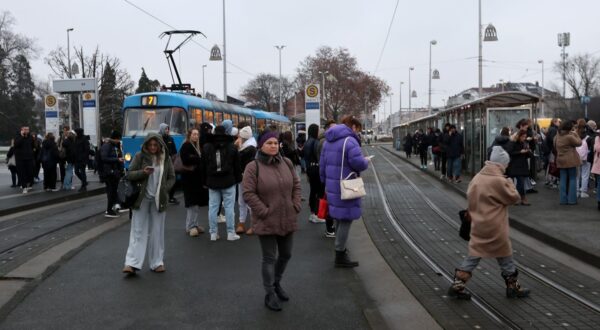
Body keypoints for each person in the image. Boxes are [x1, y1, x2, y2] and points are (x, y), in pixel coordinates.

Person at [448, 146, 529, 300]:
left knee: (474, 255)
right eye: (505, 165)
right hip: (495, 226)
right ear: (501, 164)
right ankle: (512, 286)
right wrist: (510, 183)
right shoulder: (499, 180)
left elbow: (470, 197)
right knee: (505, 254)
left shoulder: (477, 178)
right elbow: (514, 198)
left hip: (478, 224)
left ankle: (458, 283)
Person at [242, 131, 301, 312]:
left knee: (286, 254)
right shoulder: (253, 167)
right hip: (267, 218)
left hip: (287, 216)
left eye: (276, 143)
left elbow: (296, 185)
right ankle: (270, 293)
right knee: (269, 257)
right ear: (261, 146)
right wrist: (263, 211)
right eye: (269, 143)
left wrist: (295, 205)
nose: (274, 146)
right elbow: (248, 193)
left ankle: (276, 283)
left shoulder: (287, 163)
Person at [122, 133, 176, 275]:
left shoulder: (165, 158)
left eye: (155, 145)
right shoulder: (140, 156)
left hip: (159, 199)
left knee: (157, 231)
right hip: (142, 198)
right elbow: (129, 174)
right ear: (146, 145)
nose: (152, 147)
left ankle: (157, 262)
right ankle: (132, 263)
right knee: (138, 230)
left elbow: (172, 177)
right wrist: (143, 173)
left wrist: (165, 189)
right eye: (150, 145)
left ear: (159, 145)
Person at [320, 116, 370, 268]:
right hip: (347, 185)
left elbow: (322, 165)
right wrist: (366, 161)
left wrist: (326, 183)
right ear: (353, 127)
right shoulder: (350, 141)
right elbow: (358, 163)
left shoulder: (328, 141)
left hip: (332, 185)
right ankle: (340, 253)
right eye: (358, 129)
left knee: (338, 216)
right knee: (346, 218)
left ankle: (340, 250)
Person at [202, 125, 242, 241]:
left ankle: (213, 233)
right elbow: (237, 166)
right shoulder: (232, 147)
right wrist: (238, 179)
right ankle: (230, 233)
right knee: (229, 208)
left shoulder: (207, 147)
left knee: (213, 207)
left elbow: (203, 166)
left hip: (212, 181)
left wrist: (204, 181)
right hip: (228, 180)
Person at [179, 128, 206, 237]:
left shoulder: (195, 146)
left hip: (195, 179)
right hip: (189, 179)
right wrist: (199, 158)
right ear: (189, 135)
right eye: (194, 134)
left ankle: (194, 224)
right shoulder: (186, 145)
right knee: (192, 204)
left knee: (195, 204)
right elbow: (186, 160)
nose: (196, 136)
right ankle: (190, 226)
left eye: (197, 134)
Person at [236, 124, 257, 235]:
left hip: (247, 177)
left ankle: (250, 224)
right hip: (243, 176)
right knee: (242, 200)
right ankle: (242, 222)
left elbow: (239, 160)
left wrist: (238, 148)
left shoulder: (249, 149)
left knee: (246, 200)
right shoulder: (250, 146)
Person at [554, 120, 582, 205]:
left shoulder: (557, 136)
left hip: (560, 159)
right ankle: (572, 200)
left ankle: (563, 199)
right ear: (569, 128)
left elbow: (554, 146)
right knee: (572, 178)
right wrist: (575, 134)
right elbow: (579, 143)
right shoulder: (569, 136)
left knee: (563, 179)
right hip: (570, 159)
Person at [318, 120, 337, 238]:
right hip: (329, 180)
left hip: (332, 179)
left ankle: (331, 227)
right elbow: (322, 163)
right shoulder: (324, 142)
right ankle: (330, 228)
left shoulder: (330, 141)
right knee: (329, 204)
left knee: (333, 203)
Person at [304, 124, 325, 224]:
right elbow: (319, 157)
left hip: (310, 169)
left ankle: (312, 214)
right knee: (319, 192)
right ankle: (317, 214)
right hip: (316, 169)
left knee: (313, 191)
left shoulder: (307, 142)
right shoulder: (315, 142)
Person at [100, 130, 125, 218]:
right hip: (109, 172)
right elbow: (104, 158)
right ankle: (109, 210)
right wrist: (117, 160)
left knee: (113, 190)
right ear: (115, 138)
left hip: (114, 172)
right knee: (111, 191)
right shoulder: (107, 146)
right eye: (118, 139)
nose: (119, 141)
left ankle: (115, 206)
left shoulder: (114, 146)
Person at [506, 130, 532, 206]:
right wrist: (520, 152)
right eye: (523, 137)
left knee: (521, 182)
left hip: (522, 164)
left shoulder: (523, 143)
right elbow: (510, 152)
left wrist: (528, 151)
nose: (524, 138)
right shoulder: (513, 143)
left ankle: (518, 198)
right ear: (519, 136)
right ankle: (521, 198)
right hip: (515, 165)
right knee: (520, 181)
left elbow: (528, 155)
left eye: (525, 136)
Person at [159, 123, 179, 205]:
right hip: (160, 162)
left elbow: (174, 151)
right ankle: (162, 198)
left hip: (170, 162)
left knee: (173, 179)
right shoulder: (158, 139)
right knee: (162, 180)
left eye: (168, 129)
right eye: (165, 129)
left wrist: (174, 158)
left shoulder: (171, 139)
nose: (167, 130)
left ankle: (171, 197)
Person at [14, 126, 36, 194]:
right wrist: (22, 136)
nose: (26, 131)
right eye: (25, 129)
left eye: (27, 129)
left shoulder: (30, 137)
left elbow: (33, 146)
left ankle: (29, 183)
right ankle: (24, 187)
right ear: (22, 130)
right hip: (20, 159)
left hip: (29, 158)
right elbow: (16, 144)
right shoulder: (18, 137)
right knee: (22, 173)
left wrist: (32, 151)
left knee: (30, 172)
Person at [73, 128, 90, 192]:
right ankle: (84, 182)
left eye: (76, 132)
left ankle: (83, 186)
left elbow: (87, 150)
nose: (75, 133)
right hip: (76, 159)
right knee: (76, 171)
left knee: (83, 172)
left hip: (82, 159)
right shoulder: (76, 138)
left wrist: (83, 157)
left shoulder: (84, 139)